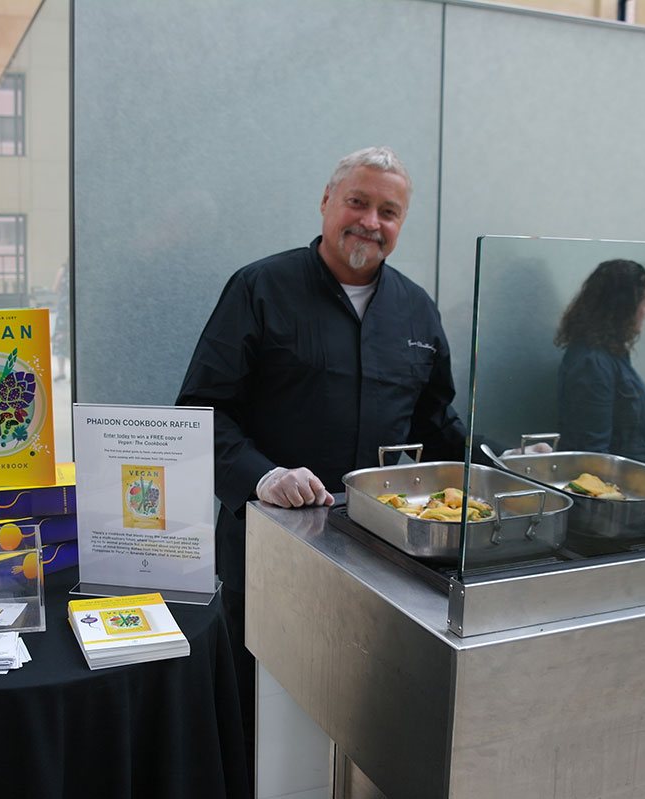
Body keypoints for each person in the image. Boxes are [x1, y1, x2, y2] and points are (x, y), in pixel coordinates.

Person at [175, 146, 469, 781]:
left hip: (386, 563)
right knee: (264, 718)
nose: (370, 221)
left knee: (362, 721)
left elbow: (438, 423)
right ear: (327, 204)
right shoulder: (260, 288)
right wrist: (262, 475)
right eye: (358, 202)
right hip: (269, 556)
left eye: (388, 211)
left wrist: (494, 475)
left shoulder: (417, 311)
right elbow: (201, 412)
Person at [554, 258, 645, 462]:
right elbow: (592, 454)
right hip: (614, 489)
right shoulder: (592, 364)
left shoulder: (610, 355)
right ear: (624, 307)